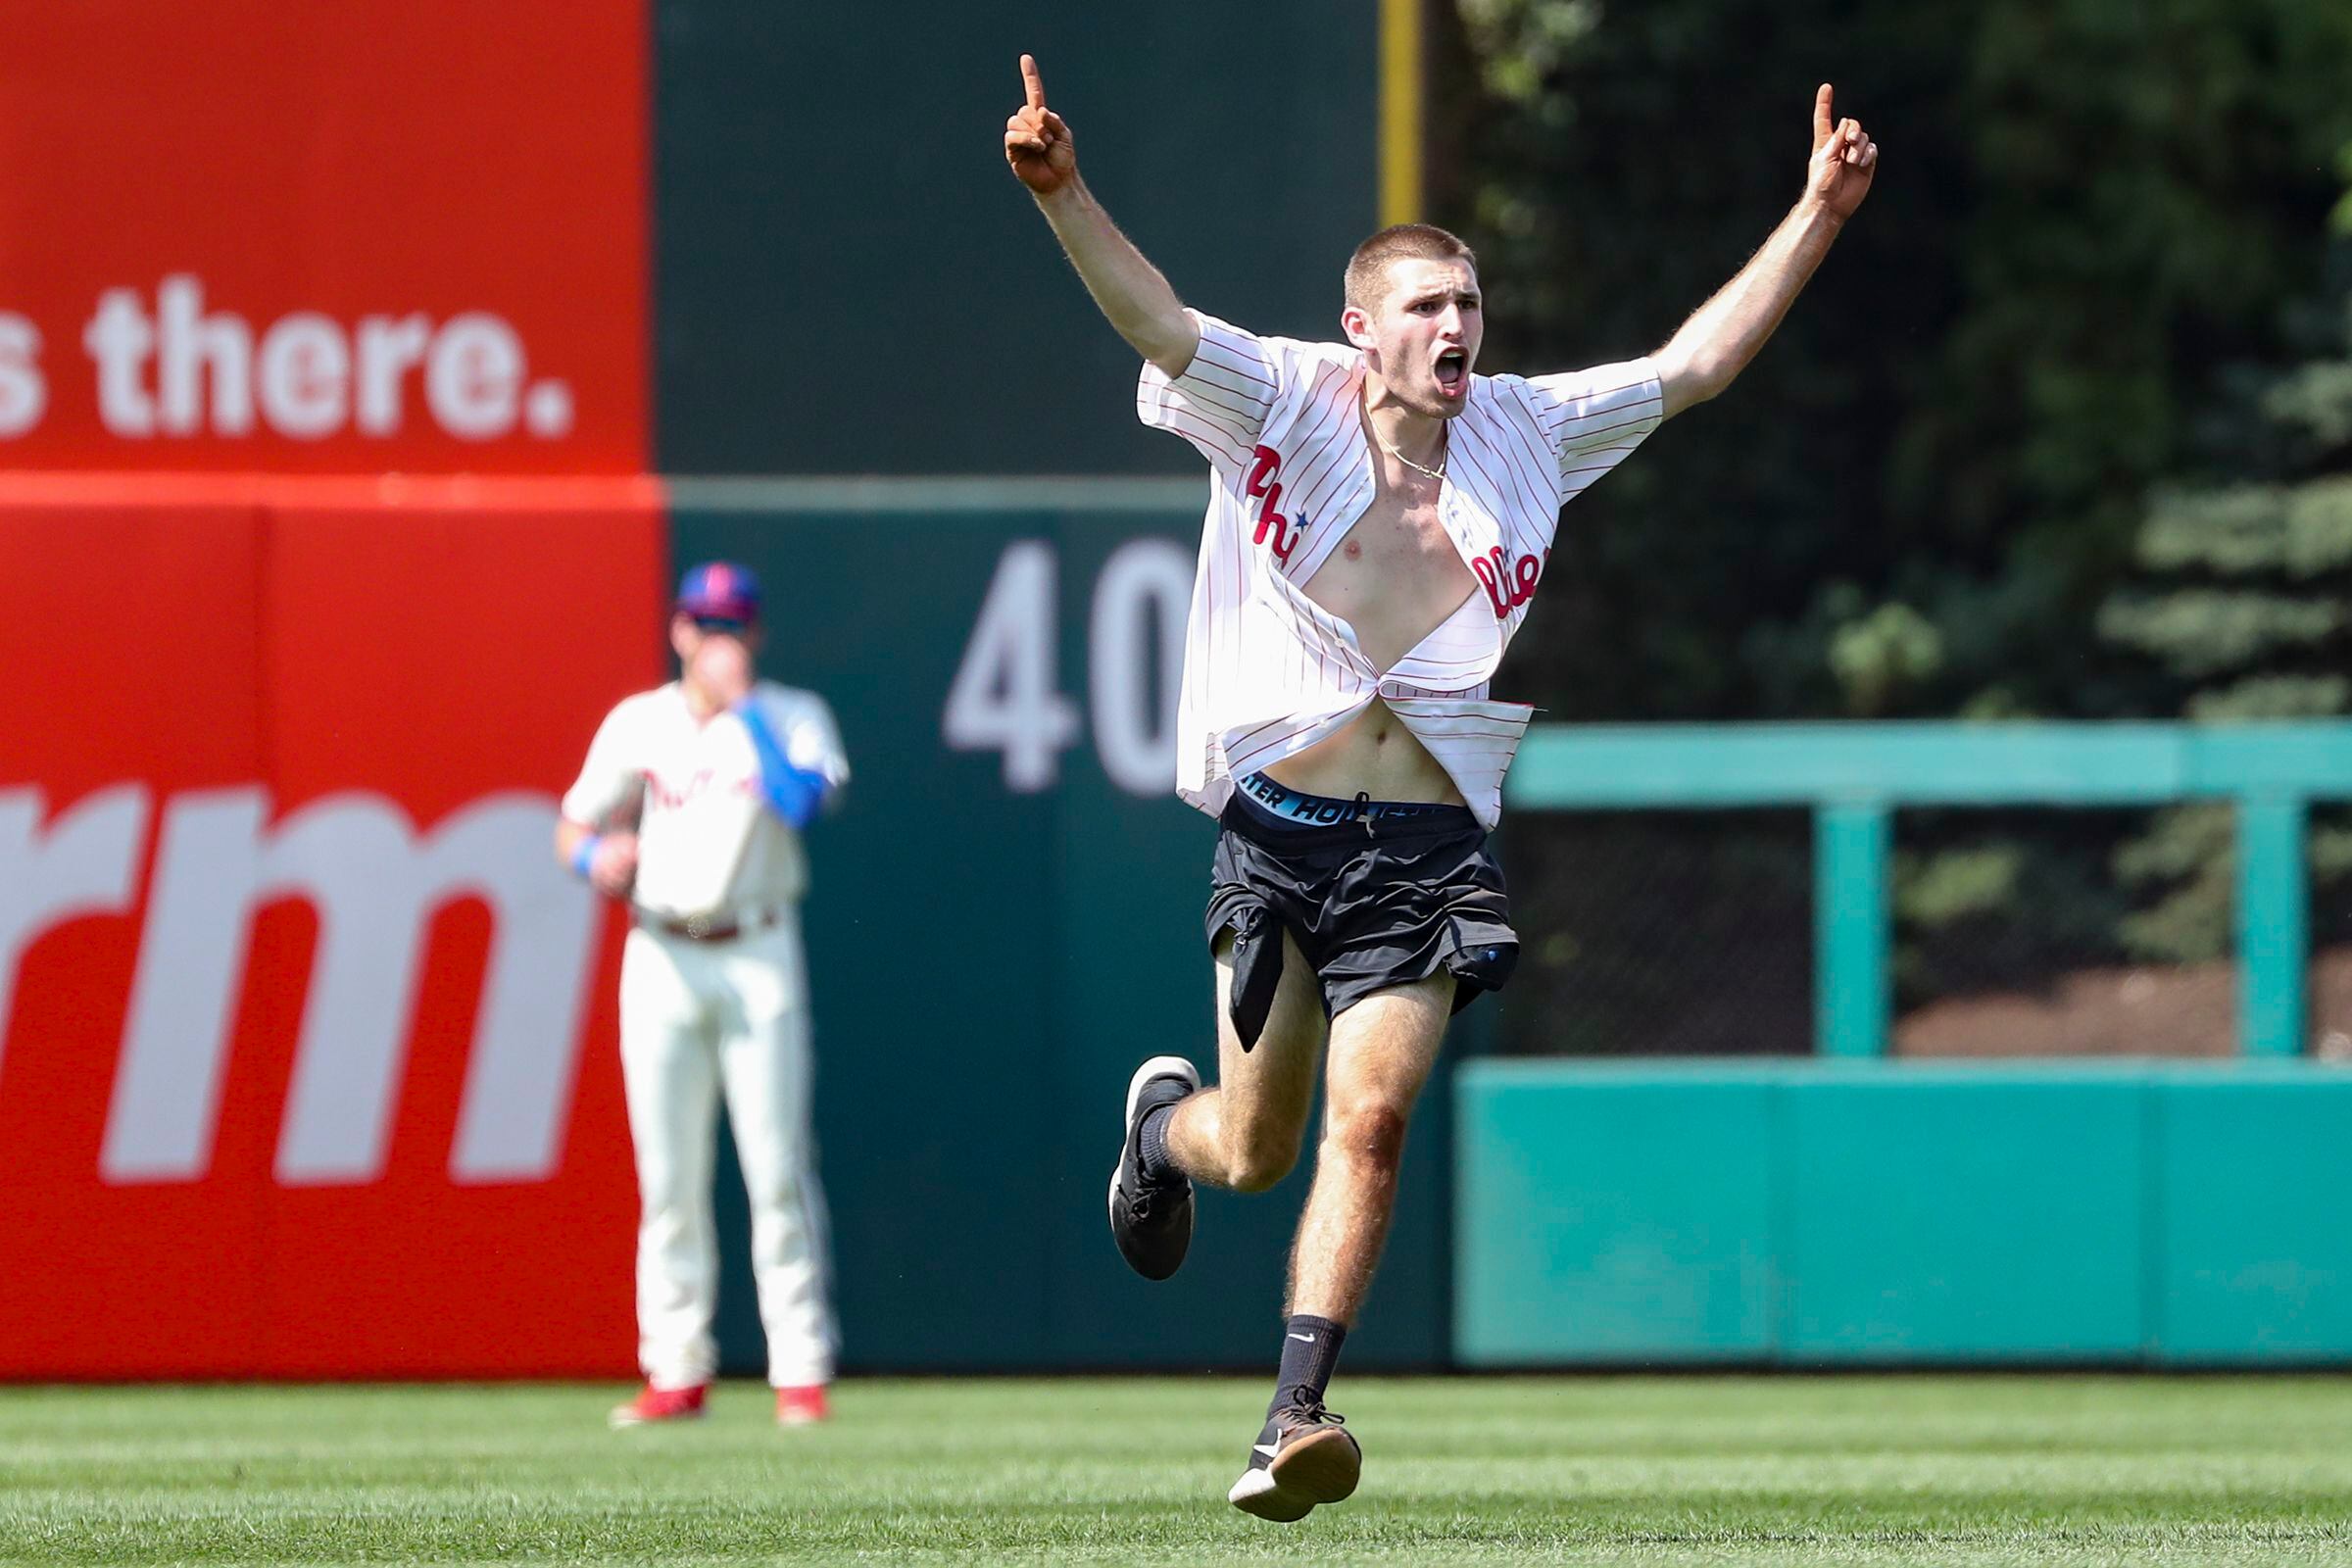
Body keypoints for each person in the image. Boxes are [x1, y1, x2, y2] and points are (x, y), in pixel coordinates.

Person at [1004, 54, 1876, 1519]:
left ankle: (1293, 1418)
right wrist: (1062, 190)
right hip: (1278, 836)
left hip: (1423, 847)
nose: (1458, 327)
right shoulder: (1281, 398)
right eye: (1427, 307)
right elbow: (1150, 315)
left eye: (1469, 305)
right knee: (1259, 1145)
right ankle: (1161, 1134)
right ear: (1364, 332)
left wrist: (1819, 213)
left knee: (1375, 1119)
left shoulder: (1527, 431)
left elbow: (1697, 366)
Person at [555, 562, 850, 1429]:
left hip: (757, 947)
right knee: (669, 1178)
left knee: (776, 1169)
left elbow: (800, 804)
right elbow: (573, 820)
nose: (716, 638)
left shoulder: (790, 716)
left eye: (732, 623)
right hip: (660, 951)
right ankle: (675, 1370)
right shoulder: (639, 723)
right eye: (703, 622)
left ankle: (799, 1373)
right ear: (679, 630)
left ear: (752, 635)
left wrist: (746, 710)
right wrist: (589, 858)